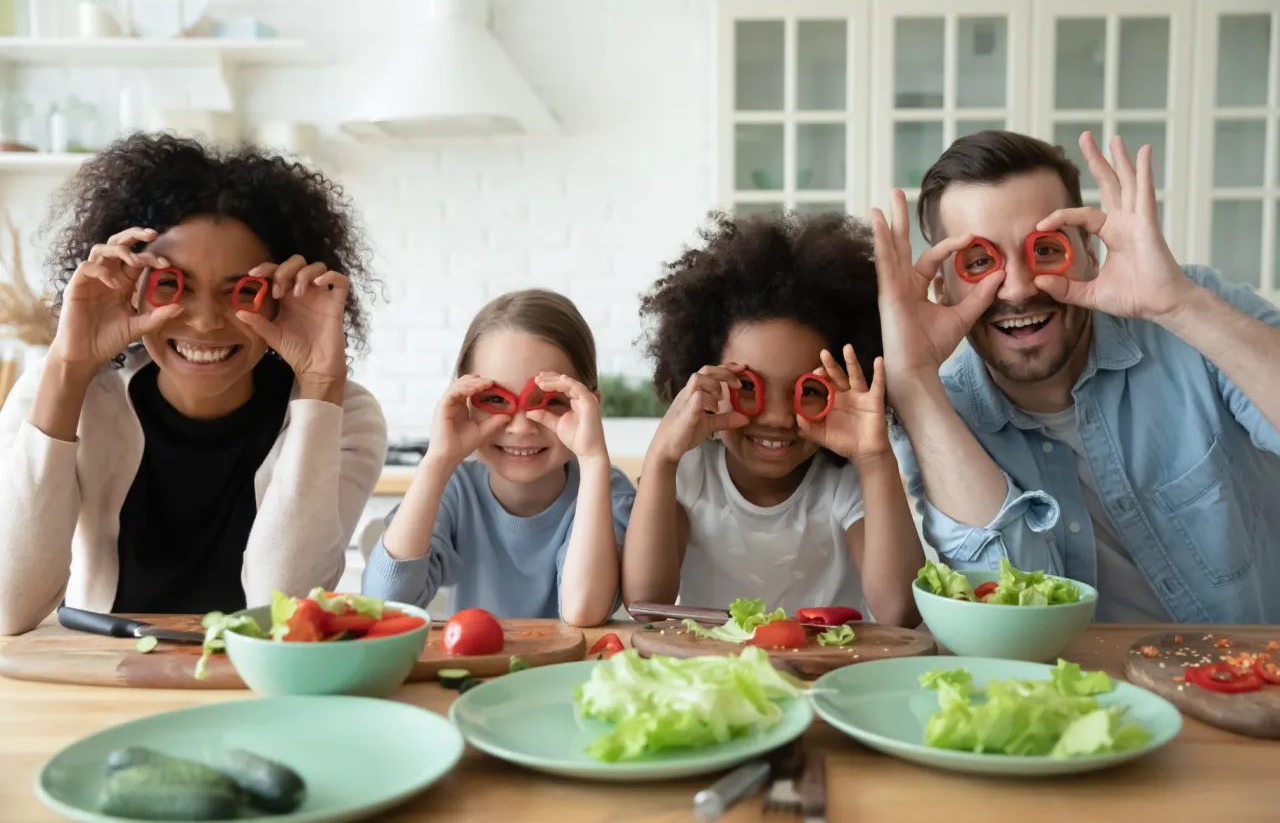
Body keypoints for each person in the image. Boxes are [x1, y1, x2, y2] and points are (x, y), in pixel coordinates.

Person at [876, 129, 1280, 623]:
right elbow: (1014, 617)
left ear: (1090, 252)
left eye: (1045, 249)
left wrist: (1179, 305)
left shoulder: (1194, 312)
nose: (1019, 288)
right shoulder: (942, 414)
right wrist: (913, 378)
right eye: (980, 263)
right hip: (1080, 698)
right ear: (943, 287)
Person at [0, 133, 387, 635]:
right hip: (102, 673)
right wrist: (71, 367)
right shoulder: (57, 395)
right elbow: (10, 607)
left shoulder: (344, 415)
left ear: (279, 298)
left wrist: (318, 384)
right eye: (171, 283)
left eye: (241, 292)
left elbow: (285, 609)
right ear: (132, 288)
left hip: (258, 683)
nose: (205, 322)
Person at [624, 211, 922, 625]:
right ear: (702, 377)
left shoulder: (844, 483)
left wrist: (875, 460)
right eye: (749, 387)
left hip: (825, 675)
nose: (780, 417)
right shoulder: (690, 475)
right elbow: (645, 604)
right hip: (716, 676)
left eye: (808, 391)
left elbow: (900, 613)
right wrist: (660, 457)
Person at [361, 289, 635, 627]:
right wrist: (438, 461)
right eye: (495, 398)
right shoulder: (455, 490)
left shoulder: (608, 492)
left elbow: (583, 609)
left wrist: (593, 459)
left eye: (550, 401)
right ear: (464, 402)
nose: (521, 428)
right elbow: (384, 605)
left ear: (589, 406)